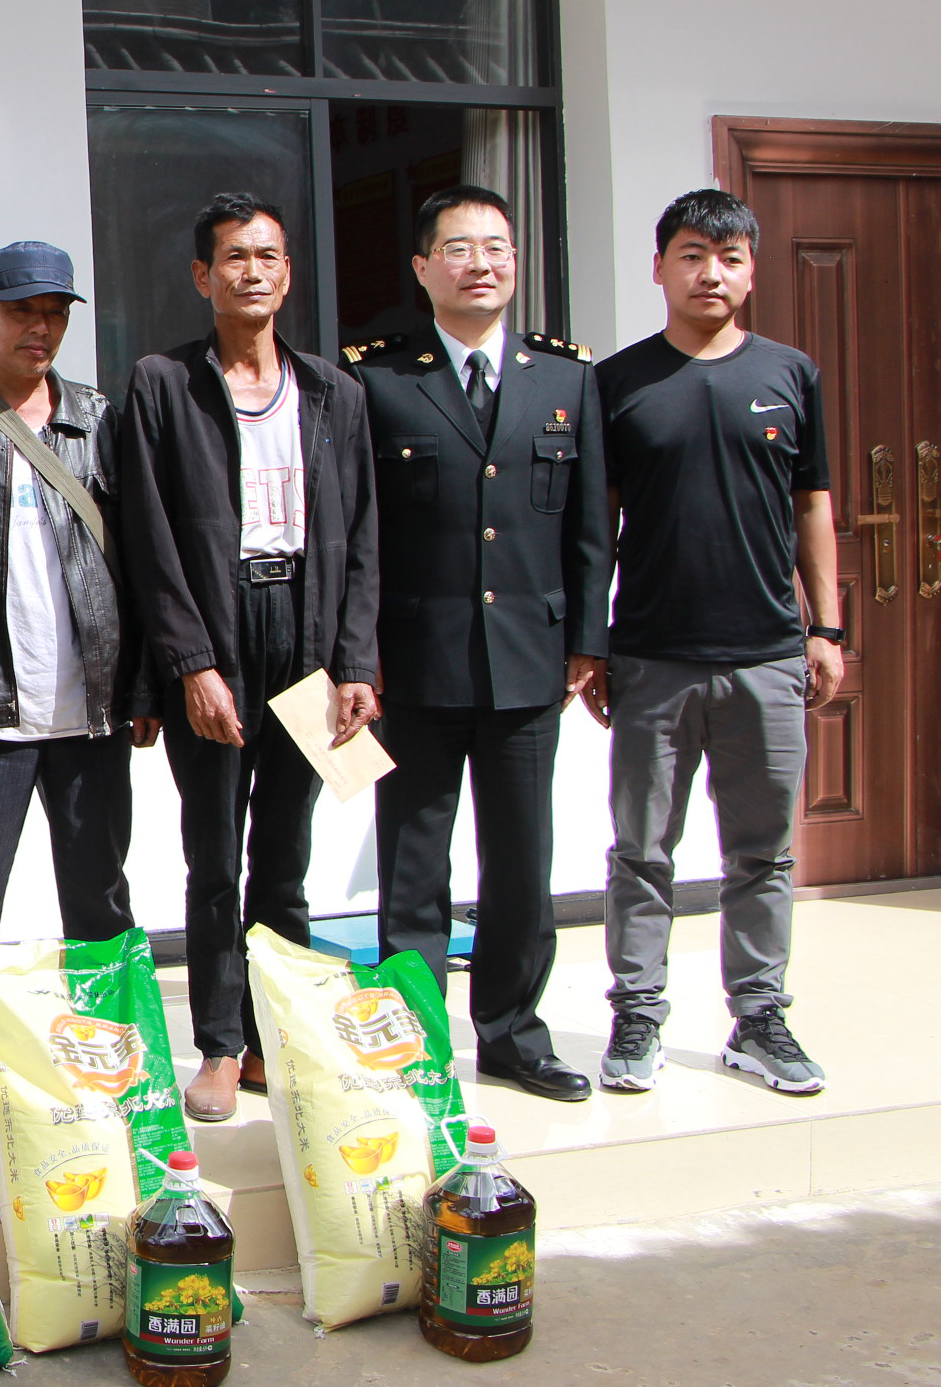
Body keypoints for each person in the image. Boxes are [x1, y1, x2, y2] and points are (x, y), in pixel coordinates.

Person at [117, 192, 378, 1123]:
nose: (253, 271)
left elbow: (362, 533)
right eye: (235, 257)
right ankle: (222, 1044)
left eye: (268, 256)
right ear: (203, 276)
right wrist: (191, 664)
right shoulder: (163, 385)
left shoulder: (335, 391)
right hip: (219, 633)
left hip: (306, 634)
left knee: (287, 854)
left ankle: (279, 1037)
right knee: (214, 856)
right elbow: (148, 537)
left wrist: (356, 661)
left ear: (288, 272)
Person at [344, 186, 610, 1104]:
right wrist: (356, 655)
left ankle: (513, 1034)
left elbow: (590, 528)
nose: (482, 264)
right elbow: (357, 533)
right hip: (414, 664)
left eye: (497, 246)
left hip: (531, 663)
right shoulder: (378, 379)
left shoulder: (567, 378)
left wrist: (588, 641)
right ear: (423, 267)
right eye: (459, 248)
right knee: (414, 867)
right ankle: (415, 1048)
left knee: (522, 866)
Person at [591, 188, 841, 1096]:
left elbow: (812, 505)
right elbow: (598, 525)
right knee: (642, 852)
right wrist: (594, 645)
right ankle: (637, 1014)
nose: (712, 274)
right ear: (660, 267)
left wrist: (827, 626)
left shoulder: (790, 373)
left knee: (763, 854)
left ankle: (759, 1018)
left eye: (730, 258)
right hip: (652, 657)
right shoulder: (617, 383)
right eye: (693, 255)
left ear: (751, 271)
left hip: (767, 655)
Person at [0, 241, 154, 1121]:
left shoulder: (99, 419)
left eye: (54, 312)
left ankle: (110, 1039)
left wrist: (142, 687)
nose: (39, 327)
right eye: (21, 311)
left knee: (100, 892)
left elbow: (144, 559)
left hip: (89, 709)